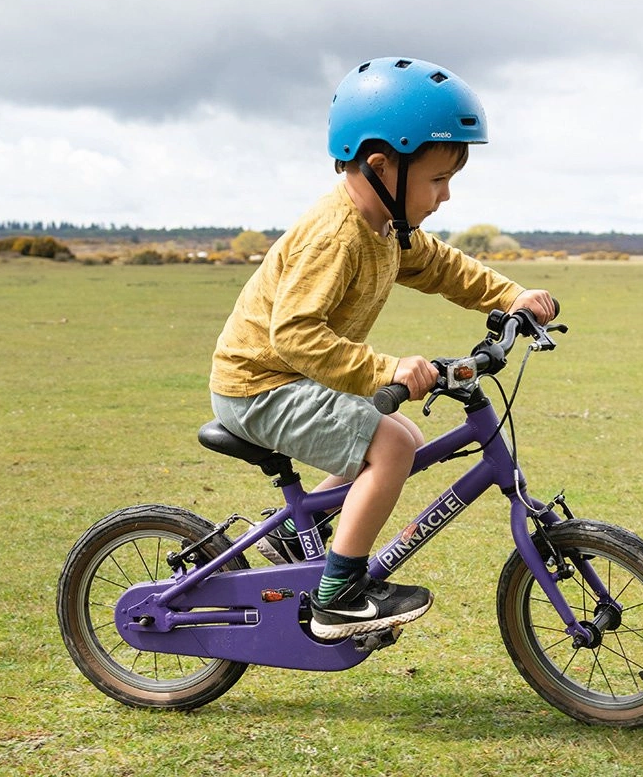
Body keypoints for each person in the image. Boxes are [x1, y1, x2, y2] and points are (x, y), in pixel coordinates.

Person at [208, 57, 556, 640]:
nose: (445, 196)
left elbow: (443, 267)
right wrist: (387, 368)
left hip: (296, 380)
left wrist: (512, 295)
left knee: (405, 439)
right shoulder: (338, 233)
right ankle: (338, 597)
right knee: (392, 446)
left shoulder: (386, 227)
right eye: (437, 179)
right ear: (381, 165)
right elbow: (293, 336)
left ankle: (300, 531)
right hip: (260, 387)